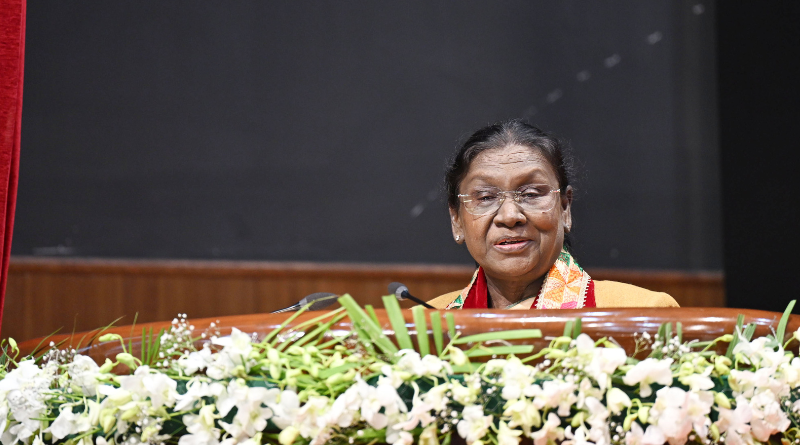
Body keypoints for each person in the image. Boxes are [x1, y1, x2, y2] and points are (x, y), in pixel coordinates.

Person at [428, 120, 678, 310]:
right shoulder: (424, 329)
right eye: (485, 197)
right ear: (456, 220)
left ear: (565, 207)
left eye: (531, 193)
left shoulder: (641, 313)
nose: (510, 215)